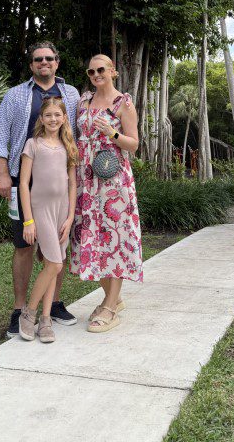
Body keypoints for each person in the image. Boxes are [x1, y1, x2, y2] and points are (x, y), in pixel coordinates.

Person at [0, 42, 80, 337]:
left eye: (49, 58)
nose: (44, 63)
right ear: (31, 65)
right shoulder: (16, 96)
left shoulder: (71, 95)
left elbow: (78, 133)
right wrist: (3, 174)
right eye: (38, 59)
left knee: (57, 248)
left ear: (57, 62)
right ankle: (19, 310)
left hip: (58, 184)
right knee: (24, 245)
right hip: (23, 181)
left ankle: (51, 305)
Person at [70, 54, 143, 333]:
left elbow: (133, 144)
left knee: (115, 237)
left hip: (113, 181)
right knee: (92, 238)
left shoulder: (123, 103)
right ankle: (113, 297)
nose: (96, 74)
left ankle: (110, 307)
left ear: (112, 71)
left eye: (101, 69)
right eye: (91, 71)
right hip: (86, 180)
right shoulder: (83, 102)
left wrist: (113, 133)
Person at [18, 97, 77, 343]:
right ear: (41, 119)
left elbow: (73, 183)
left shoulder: (68, 146)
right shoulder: (33, 144)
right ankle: (28, 313)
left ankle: (46, 320)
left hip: (62, 210)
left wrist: (71, 217)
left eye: (57, 115)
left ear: (64, 118)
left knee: (54, 264)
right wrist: (28, 221)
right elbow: (23, 183)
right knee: (54, 264)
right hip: (41, 209)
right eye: (48, 115)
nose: (53, 119)